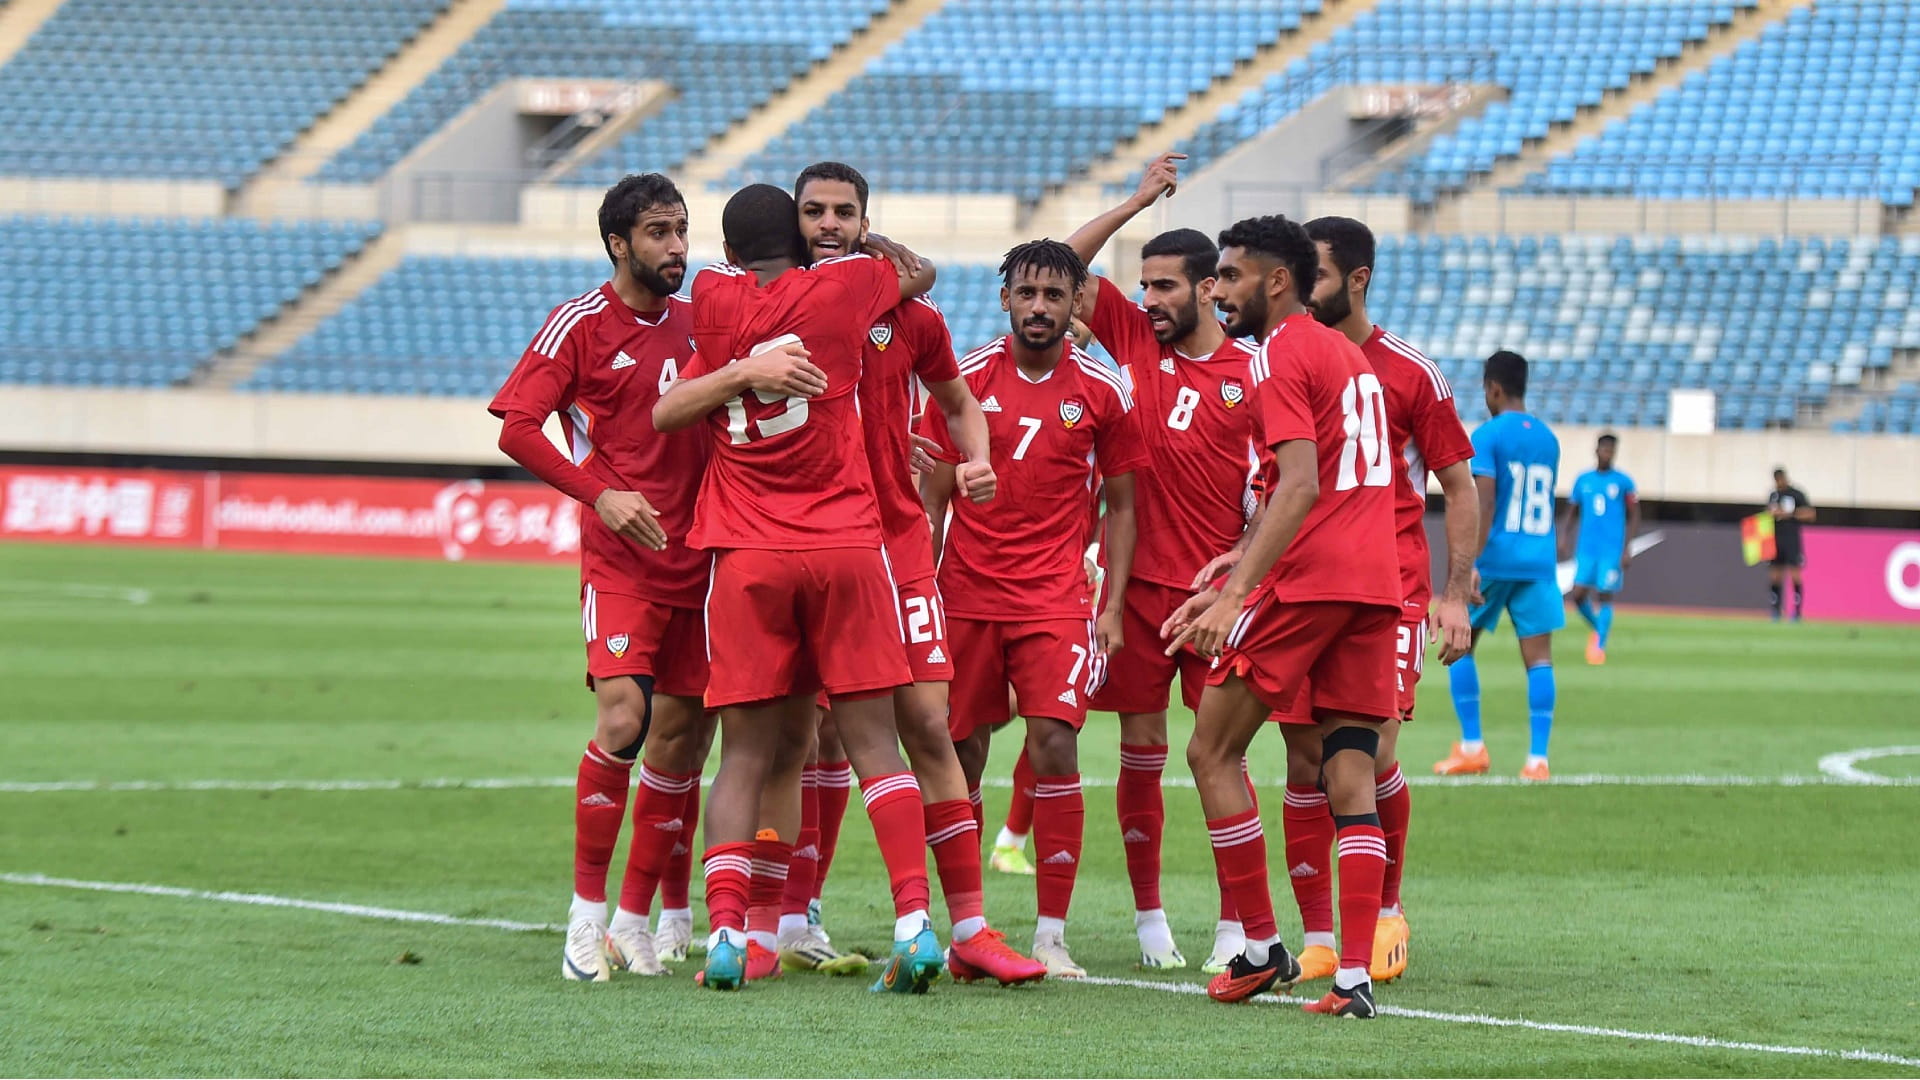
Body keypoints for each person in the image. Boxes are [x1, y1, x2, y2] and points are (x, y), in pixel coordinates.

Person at [653, 183, 943, 993]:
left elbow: (669, 409)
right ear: (804, 236)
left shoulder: (713, 298)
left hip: (749, 554)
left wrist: (742, 360)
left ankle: (725, 936)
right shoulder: (847, 287)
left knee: (745, 754)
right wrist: (861, 242)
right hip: (846, 544)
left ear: (730, 251)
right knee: (874, 744)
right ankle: (915, 925)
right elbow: (919, 272)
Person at [784, 162, 1046, 986]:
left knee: (931, 725)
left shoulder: (911, 314)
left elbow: (960, 401)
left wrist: (977, 458)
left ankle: (968, 927)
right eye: (814, 211)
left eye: (845, 211)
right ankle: (785, 915)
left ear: (867, 222)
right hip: (806, 543)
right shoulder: (774, 303)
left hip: (897, 544)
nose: (829, 223)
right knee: (804, 734)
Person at [1164, 213, 1402, 1019]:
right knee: (1349, 772)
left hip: (1311, 581)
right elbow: (1314, 479)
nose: (1217, 291)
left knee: (1210, 748)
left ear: (1275, 280)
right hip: (1373, 584)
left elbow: (1300, 484)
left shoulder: (1278, 352)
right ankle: (1353, 978)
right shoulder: (1344, 353)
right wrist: (1238, 562)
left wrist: (1237, 595)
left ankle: (1262, 946)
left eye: (1230, 276)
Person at [487, 173, 710, 982]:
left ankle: (634, 922)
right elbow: (518, 426)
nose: (676, 246)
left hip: (706, 560)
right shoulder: (579, 324)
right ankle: (584, 921)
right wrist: (600, 494)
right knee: (624, 718)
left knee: (681, 742)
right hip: (623, 564)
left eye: (681, 230)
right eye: (658, 232)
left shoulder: (704, 319)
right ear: (618, 243)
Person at [920, 239, 1150, 978]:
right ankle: (969, 927)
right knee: (960, 753)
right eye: (1028, 294)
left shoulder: (1104, 390)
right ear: (1005, 299)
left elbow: (1123, 505)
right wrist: (919, 586)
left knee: (1054, 743)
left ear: (1076, 300)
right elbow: (930, 494)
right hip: (965, 594)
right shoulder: (963, 380)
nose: (1040, 307)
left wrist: (1112, 605)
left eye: (1055, 295)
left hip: (1054, 596)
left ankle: (1051, 935)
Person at [1057, 151, 1263, 972]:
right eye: (1143, 285)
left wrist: (1240, 569)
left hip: (1215, 599)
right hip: (1136, 592)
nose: (1148, 300)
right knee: (1138, 752)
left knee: (1221, 755)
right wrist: (1134, 203)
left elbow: (1279, 488)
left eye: (1166, 286)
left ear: (1209, 288)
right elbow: (1059, 267)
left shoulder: (1254, 373)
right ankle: (1150, 922)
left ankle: (1237, 926)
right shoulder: (1135, 340)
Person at [1274, 215, 1477, 986]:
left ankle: (1386, 908)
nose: (1303, 288)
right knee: (1303, 760)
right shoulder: (1284, 358)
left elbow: (1457, 484)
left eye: (1318, 275)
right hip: (1301, 585)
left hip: (1388, 589)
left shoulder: (1411, 372)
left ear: (1357, 280)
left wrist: (1454, 594)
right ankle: (1319, 937)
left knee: (1367, 754)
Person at [1433, 351, 1563, 782]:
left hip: (1494, 560)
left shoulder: (1488, 435)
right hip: (1538, 562)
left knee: (1461, 645)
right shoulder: (1548, 439)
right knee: (1539, 661)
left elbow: (1483, 502)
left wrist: (1469, 560)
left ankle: (1473, 747)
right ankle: (1538, 760)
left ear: (1493, 389)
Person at [1562, 433, 1639, 663]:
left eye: (1611, 450)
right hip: (1586, 548)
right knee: (1577, 595)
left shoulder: (1623, 482)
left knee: (1605, 595)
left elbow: (1635, 515)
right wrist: (1564, 537)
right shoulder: (1583, 480)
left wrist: (1627, 548)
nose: (1607, 454)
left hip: (1611, 550)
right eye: (1604, 449)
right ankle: (1599, 628)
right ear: (1596, 450)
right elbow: (1573, 511)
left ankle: (1598, 647)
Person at [1768, 468, 1814, 621]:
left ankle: (1797, 611)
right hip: (1776, 540)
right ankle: (1776, 611)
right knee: (1775, 576)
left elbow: (1810, 514)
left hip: (1792, 540)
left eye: (1780, 480)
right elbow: (1769, 513)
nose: (1779, 483)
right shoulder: (1773, 495)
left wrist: (1789, 514)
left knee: (1795, 575)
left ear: (1785, 478)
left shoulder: (1796, 494)